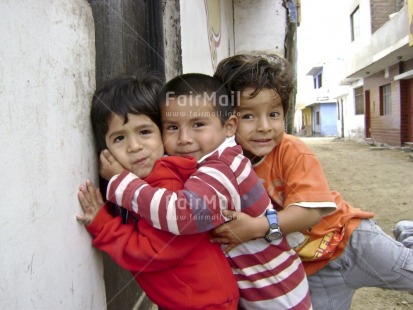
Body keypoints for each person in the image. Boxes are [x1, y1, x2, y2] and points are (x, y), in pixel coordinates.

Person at [209, 53, 413, 310]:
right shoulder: (225, 163)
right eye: (248, 116)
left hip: (352, 242)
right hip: (315, 270)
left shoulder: (291, 150)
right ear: (227, 120)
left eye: (274, 114)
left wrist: (255, 227)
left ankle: (408, 235)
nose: (264, 127)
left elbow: (310, 213)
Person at [104, 73, 313, 309]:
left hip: (277, 297)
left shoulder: (221, 169)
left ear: (229, 126)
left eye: (198, 125)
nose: (183, 139)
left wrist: (121, 182)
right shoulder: (216, 159)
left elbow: (181, 216)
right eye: (172, 127)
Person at [76, 72, 239, 310]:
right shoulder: (138, 181)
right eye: (119, 138)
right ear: (105, 149)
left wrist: (103, 224)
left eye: (145, 132)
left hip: (206, 303)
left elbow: (151, 253)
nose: (135, 147)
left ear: (162, 132)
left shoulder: (168, 185)